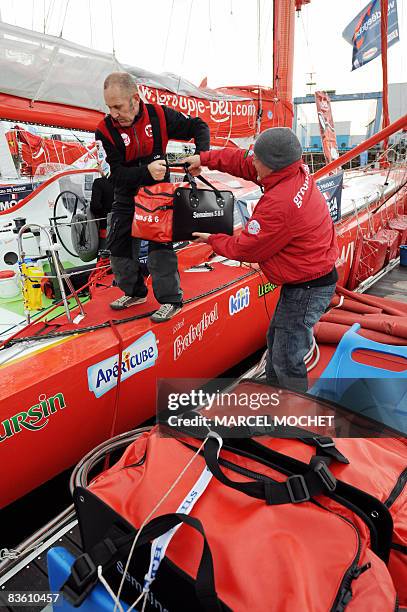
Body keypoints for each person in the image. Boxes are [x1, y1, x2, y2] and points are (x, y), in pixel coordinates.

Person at [182, 127, 338, 392]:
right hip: (307, 279)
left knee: (287, 354)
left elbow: (248, 249)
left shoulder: (281, 202)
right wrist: (204, 159)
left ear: (272, 166)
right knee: (276, 338)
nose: (252, 162)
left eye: (257, 160)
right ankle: (275, 393)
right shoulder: (290, 171)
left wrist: (211, 239)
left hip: (308, 288)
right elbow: (243, 160)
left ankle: (293, 417)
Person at [95, 72, 210, 322]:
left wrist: (201, 155)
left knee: (160, 250)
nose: (113, 113)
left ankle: (171, 301)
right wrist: (144, 172)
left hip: (158, 196)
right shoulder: (104, 130)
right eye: (108, 107)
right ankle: (135, 292)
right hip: (125, 195)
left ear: (135, 99)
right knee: (118, 249)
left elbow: (198, 126)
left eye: (118, 106)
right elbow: (114, 175)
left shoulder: (159, 116)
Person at [89, 168, 114, 249]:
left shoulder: (99, 183)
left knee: (104, 258)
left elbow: (95, 206)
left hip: (106, 228)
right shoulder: (125, 180)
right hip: (127, 229)